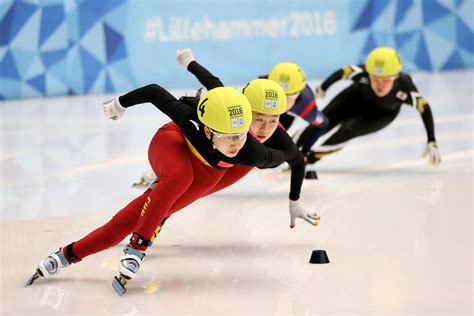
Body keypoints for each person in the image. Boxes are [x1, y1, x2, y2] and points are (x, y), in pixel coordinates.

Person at [26, 71, 320, 296]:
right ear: (207, 129)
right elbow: (156, 92)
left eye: (244, 133)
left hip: (207, 169)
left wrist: (293, 199)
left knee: (132, 218)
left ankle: (64, 255)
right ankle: (138, 248)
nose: (238, 142)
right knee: (179, 178)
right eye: (230, 136)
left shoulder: (251, 150)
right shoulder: (191, 121)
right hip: (172, 144)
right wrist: (119, 104)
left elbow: (292, 158)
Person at [302, 47, 441, 166]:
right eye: (375, 79)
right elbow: (342, 72)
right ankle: (290, 149)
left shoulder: (405, 88)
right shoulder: (363, 73)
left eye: (385, 80)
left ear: (396, 76)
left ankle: (309, 158)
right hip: (353, 99)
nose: (380, 84)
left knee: (347, 130)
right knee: (320, 123)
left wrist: (431, 140)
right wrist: (322, 88)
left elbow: (425, 108)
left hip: (381, 113)